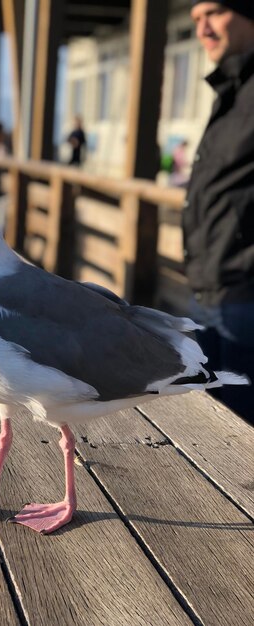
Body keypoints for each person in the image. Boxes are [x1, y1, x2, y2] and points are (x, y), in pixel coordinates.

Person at [183, 1, 254, 423]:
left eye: (214, 13)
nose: (203, 29)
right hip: (209, 290)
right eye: (195, 19)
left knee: (241, 433)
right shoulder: (233, 88)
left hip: (245, 299)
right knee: (215, 421)